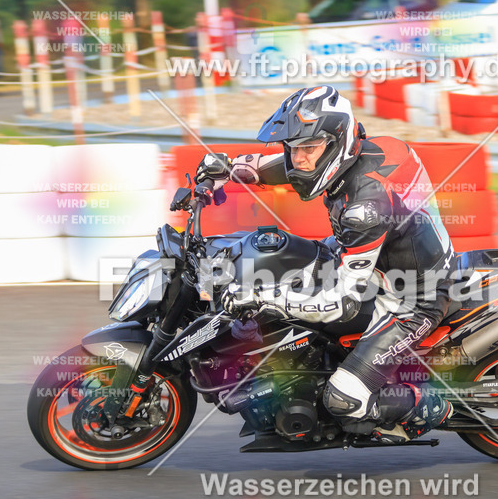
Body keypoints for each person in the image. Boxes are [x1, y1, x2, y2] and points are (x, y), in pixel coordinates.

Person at [195, 85, 455, 443]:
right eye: (293, 148)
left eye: (307, 148)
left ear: (336, 143)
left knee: (344, 399)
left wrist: (266, 298)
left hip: (410, 297)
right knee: (277, 259)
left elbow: (342, 301)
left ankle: (426, 404)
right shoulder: (361, 151)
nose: (298, 159)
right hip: (376, 259)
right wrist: (228, 168)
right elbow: (281, 167)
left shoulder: (364, 207)